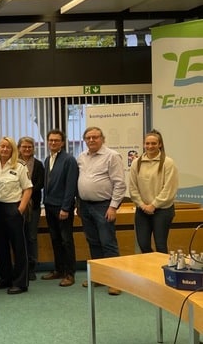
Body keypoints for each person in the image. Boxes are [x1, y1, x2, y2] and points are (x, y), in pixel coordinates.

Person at [77, 126, 126, 295]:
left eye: (95, 137)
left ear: (102, 139)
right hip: (85, 206)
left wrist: (113, 206)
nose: (91, 140)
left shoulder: (112, 156)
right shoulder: (81, 157)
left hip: (104, 206)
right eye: (88, 138)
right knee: (93, 242)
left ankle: (115, 282)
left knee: (108, 243)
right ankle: (99, 277)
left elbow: (120, 184)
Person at [0, 137, 32, 294]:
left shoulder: (20, 166)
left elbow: (28, 189)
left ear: (13, 149)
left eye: (8, 147)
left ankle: (21, 283)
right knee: (1, 246)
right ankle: (5, 278)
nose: (4, 149)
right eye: (2, 146)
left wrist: (20, 209)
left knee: (18, 247)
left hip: (13, 208)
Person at [129, 129, 179, 253]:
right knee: (143, 244)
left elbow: (169, 188)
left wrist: (154, 205)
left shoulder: (168, 163)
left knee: (160, 246)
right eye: (147, 143)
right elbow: (133, 188)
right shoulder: (136, 163)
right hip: (142, 210)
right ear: (143, 144)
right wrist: (142, 205)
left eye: (153, 143)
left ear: (160, 144)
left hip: (162, 210)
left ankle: (162, 266)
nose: (150, 146)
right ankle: (151, 265)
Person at [41, 129, 79, 287]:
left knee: (66, 240)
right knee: (55, 240)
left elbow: (71, 186)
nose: (53, 143)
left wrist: (65, 208)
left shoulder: (69, 160)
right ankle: (59, 269)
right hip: (49, 206)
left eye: (56, 140)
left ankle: (70, 274)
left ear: (62, 143)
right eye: (50, 140)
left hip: (62, 208)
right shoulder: (47, 159)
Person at [17, 136, 45, 280]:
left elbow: (40, 184)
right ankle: (20, 267)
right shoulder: (13, 164)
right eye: (24, 147)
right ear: (19, 148)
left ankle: (32, 268)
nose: (27, 149)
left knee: (31, 237)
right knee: (18, 237)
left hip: (33, 206)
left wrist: (26, 193)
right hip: (16, 205)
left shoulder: (38, 165)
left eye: (30, 147)